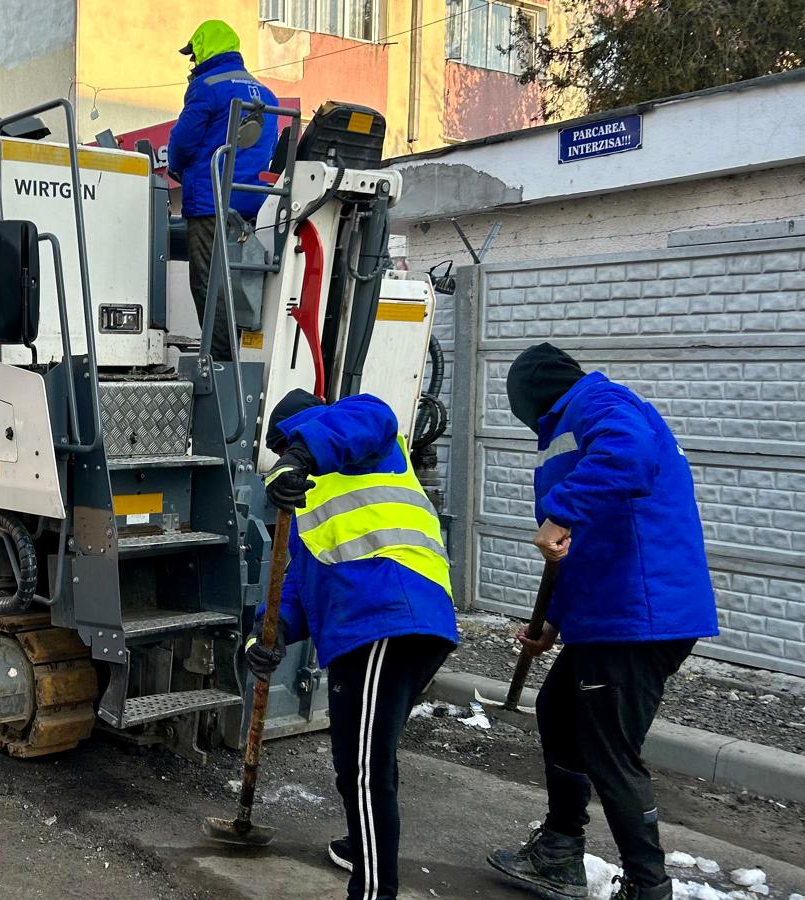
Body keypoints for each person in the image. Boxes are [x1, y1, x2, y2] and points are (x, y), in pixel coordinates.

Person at [488, 343, 719, 900]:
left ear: (532, 391)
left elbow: (629, 455)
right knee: (560, 711)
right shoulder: (567, 426)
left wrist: (561, 509)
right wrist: (554, 621)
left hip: (639, 615)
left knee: (607, 747)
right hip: (609, 612)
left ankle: (647, 887)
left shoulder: (602, 403)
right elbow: (578, 546)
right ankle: (560, 850)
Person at [250, 389, 458, 900]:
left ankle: (372, 891)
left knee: (362, 769)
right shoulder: (306, 498)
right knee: (371, 756)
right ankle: (363, 847)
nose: (282, 458)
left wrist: (300, 452)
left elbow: (371, 414)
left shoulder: (366, 436)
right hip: (374, 626)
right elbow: (294, 584)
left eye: (283, 449)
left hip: (389, 614)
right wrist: (265, 635)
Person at [167, 19, 278, 360]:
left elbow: (182, 143)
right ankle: (240, 350)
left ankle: (216, 361)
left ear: (206, 49)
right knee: (240, 282)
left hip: (210, 203)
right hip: (250, 206)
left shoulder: (206, 86)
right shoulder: (266, 94)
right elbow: (268, 148)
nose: (192, 61)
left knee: (206, 282)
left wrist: (176, 168)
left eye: (194, 53)